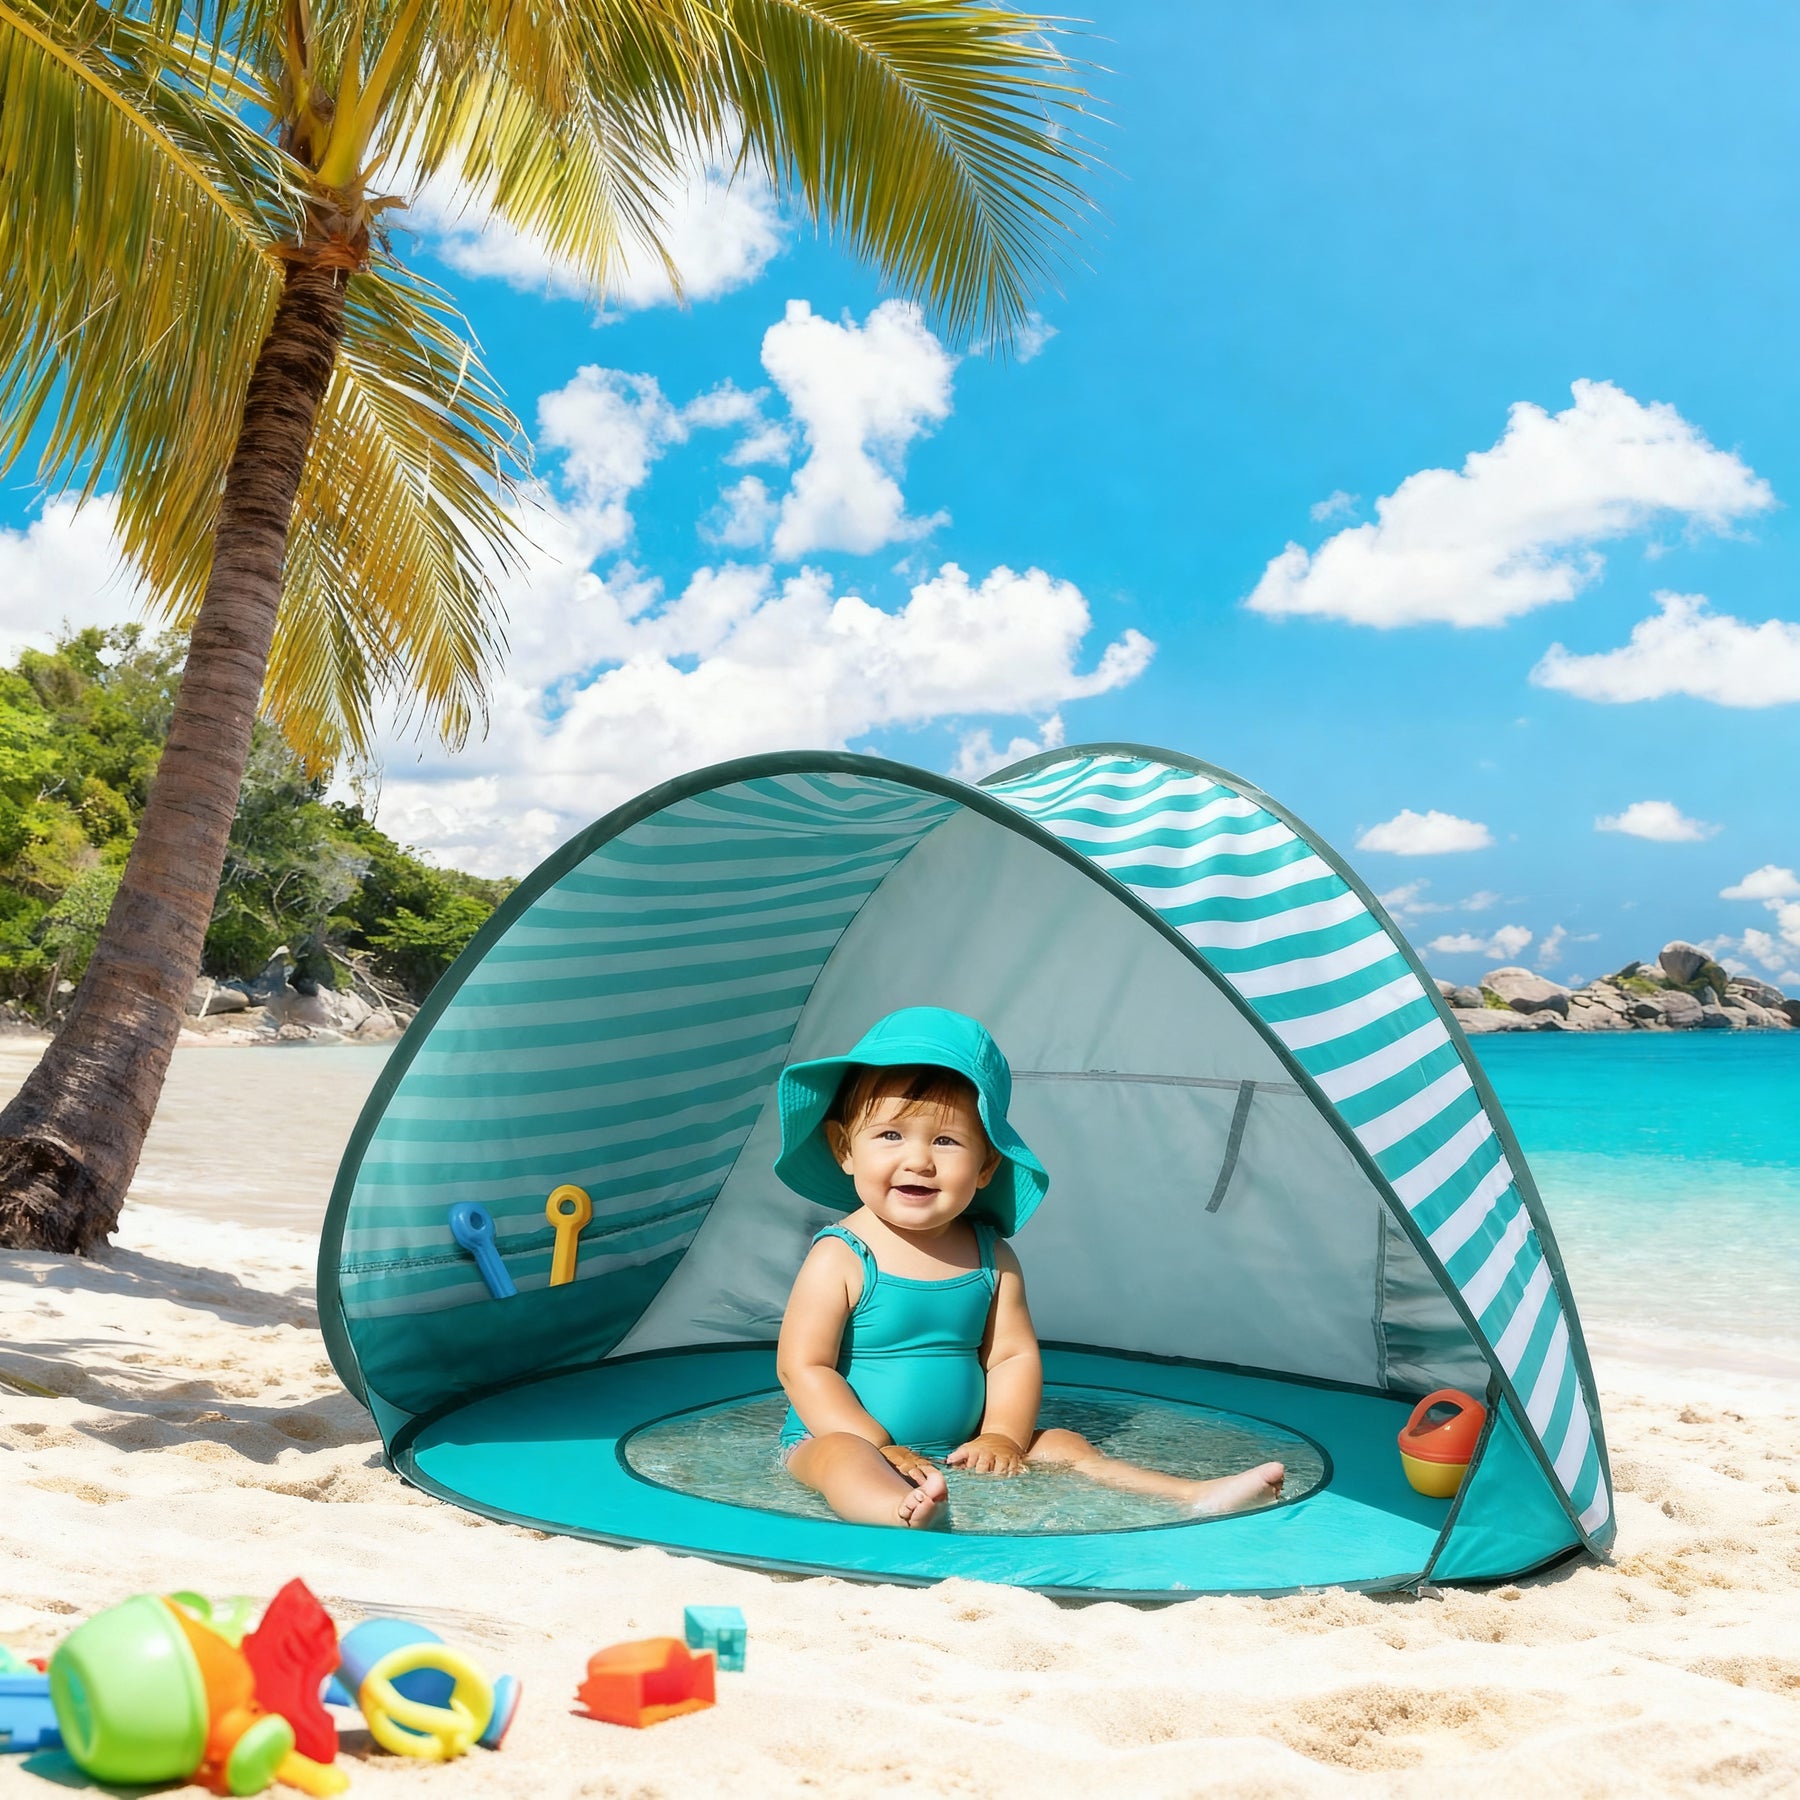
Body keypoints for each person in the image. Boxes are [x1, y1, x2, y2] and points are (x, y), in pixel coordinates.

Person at [774, 1007, 1286, 1530]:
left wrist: (1001, 1435)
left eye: (946, 1141)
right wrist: (878, 1445)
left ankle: (1191, 1494)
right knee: (839, 1460)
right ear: (844, 1149)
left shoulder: (990, 1254)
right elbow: (803, 1367)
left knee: (1063, 1444)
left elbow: (1011, 1356)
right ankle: (895, 1510)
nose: (919, 1160)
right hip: (838, 1433)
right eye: (890, 1136)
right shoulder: (841, 1253)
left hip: (962, 1444)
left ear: (987, 1165)